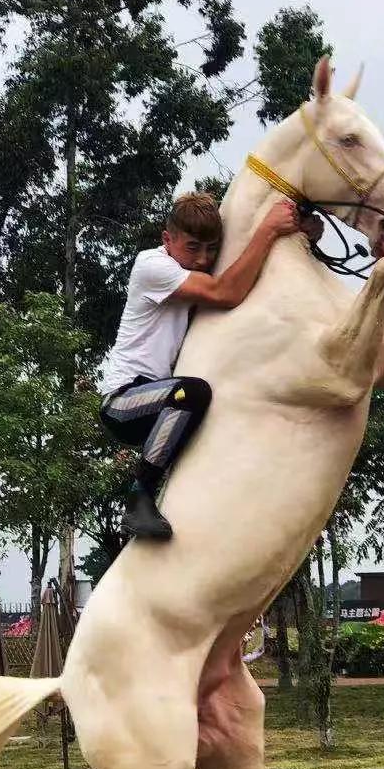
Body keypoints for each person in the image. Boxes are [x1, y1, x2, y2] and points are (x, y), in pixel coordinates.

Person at [98, 191, 319, 541]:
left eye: (211, 249)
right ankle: (139, 497)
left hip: (162, 403)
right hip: (123, 402)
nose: (202, 259)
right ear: (167, 239)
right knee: (194, 393)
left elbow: (243, 270)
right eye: (192, 247)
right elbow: (226, 292)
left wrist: (298, 238)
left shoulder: (187, 269)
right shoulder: (152, 266)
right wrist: (269, 229)